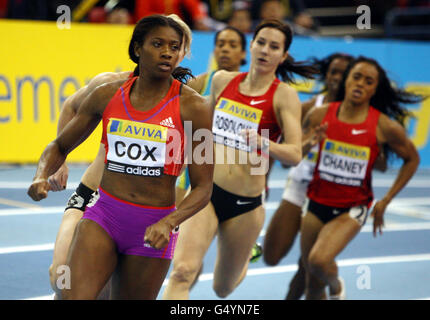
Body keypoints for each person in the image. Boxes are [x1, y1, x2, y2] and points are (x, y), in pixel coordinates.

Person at [28, 15, 213, 300]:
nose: (167, 52)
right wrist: (42, 174)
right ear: (137, 48)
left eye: (174, 47)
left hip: (152, 227)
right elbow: (59, 145)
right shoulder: (107, 94)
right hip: (104, 216)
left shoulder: (195, 109)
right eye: (158, 44)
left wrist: (170, 222)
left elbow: (203, 187)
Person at [162, 19, 317, 299]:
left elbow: (294, 154)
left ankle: (245, 256)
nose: (265, 51)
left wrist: (264, 143)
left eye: (274, 47)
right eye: (261, 43)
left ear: (282, 56)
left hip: (245, 205)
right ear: (252, 46)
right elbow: (199, 121)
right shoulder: (223, 80)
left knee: (223, 288)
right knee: (182, 270)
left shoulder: (284, 96)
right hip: (207, 193)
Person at [300, 56, 422, 299]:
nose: (361, 84)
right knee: (312, 283)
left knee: (319, 260)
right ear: (347, 80)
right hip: (315, 202)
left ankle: (337, 288)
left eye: (368, 82)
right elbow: (289, 157)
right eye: (356, 77)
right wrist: (310, 142)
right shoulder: (319, 115)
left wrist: (386, 200)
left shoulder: (384, 126)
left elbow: (412, 159)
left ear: (374, 89)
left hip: (352, 208)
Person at [262, 52, 355, 300]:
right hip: (299, 188)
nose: (338, 77)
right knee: (271, 255)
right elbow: (281, 154)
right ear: (326, 75)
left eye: (344, 73)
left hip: (329, 195)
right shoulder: (308, 108)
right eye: (333, 71)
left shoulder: (357, 116)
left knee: (310, 264)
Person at [175, 25, 247, 205]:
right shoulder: (200, 82)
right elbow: (173, 118)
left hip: (234, 174)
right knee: (174, 228)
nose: (225, 49)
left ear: (244, 53)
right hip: (194, 171)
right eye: (221, 44)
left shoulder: (252, 88)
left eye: (232, 45)